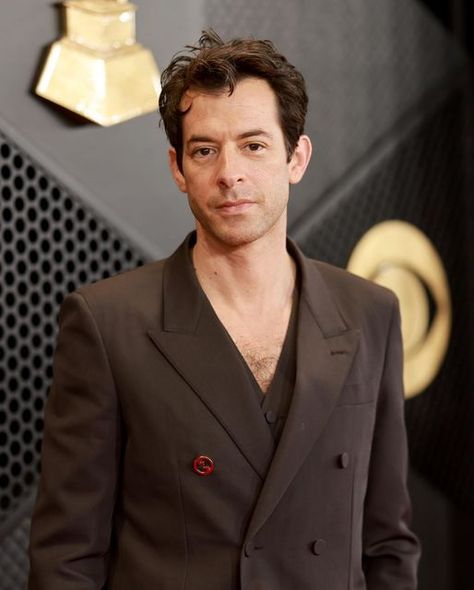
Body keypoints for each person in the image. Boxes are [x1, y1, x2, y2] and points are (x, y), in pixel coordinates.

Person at [28, 30, 420, 589]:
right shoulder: (107, 323)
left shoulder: (370, 312)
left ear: (297, 157)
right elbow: (66, 557)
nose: (229, 173)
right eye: (205, 149)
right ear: (178, 167)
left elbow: (387, 541)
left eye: (254, 145)